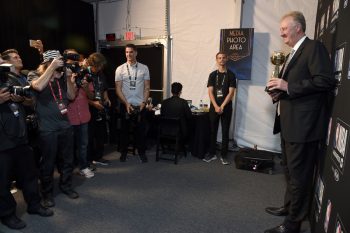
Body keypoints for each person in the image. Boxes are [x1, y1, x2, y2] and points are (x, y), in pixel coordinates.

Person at [265, 11, 336, 233]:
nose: (281, 32)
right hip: (289, 124)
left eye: (285, 28)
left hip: (303, 127)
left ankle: (293, 224)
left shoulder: (313, 48)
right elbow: (293, 86)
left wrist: (288, 87)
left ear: (298, 28)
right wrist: (279, 93)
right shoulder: (291, 54)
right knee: (289, 172)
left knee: (299, 177)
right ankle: (289, 208)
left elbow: (325, 81)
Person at [0, 55, 53, 230]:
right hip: (2, 143)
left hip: (21, 136)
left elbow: (30, 100)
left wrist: (20, 99)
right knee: (2, 182)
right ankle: (7, 214)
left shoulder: (10, 78)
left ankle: (34, 205)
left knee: (29, 175)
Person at [29, 50, 79, 208]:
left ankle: (66, 186)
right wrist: (51, 69)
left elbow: (71, 96)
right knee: (48, 163)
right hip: (47, 129)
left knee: (67, 160)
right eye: (56, 63)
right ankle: (47, 194)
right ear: (47, 63)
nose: (59, 68)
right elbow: (37, 86)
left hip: (65, 126)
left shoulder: (62, 77)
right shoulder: (34, 74)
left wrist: (70, 79)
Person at [115, 43, 151, 163]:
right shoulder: (120, 69)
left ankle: (141, 153)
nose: (128, 54)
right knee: (124, 132)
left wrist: (144, 102)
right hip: (126, 105)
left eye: (131, 52)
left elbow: (147, 87)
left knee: (140, 132)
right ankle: (124, 153)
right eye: (126, 52)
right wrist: (125, 103)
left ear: (136, 52)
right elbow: (118, 89)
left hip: (140, 105)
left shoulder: (144, 68)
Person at [65, 49, 95, 178]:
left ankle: (83, 167)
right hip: (68, 118)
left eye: (75, 56)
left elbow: (91, 96)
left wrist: (86, 87)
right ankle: (67, 171)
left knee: (83, 145)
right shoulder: (62, 75)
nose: (74, 59)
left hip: (83, 116)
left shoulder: (83, 74)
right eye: (71, 56)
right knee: (68, 148)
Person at [203, 52, 236, 165]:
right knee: (213, 131)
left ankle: (224, 155)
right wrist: (216, 106)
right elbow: (210, 92)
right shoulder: (212, 75)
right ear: (216, 60)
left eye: (223, 58)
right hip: (214, 107)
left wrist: (222, 106)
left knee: (225, 132)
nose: (221, 60)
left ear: (226, 59)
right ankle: (211, 154)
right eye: (219, 58)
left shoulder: (231, 75)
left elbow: (231, 93)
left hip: (226, 108)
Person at [85, 52, 112, 166]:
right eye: (99, 66)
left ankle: (99, 157)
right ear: (92, 64)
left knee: (101, 134)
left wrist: (107, 98)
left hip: (100, 107)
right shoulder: (85, 74)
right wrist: (93, 103)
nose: (101, 68)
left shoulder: (101, 74)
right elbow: (79, 97)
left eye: (101, 66)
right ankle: (89, 159)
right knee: (90, 135)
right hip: (89, 109)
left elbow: (104, 88)